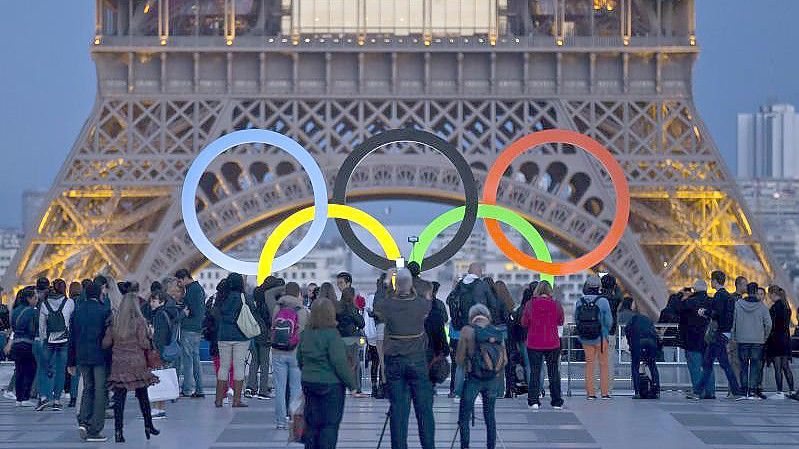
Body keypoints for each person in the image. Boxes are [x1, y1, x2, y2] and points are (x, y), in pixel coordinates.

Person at [374, 268, 435, 449]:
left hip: (395, 362)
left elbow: (377, 304)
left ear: (395, 285)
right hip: (417, 360)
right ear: (410, 285)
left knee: (399, 413)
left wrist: (385, 282)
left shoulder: (388, 305)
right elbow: (427, 297)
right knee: (424, 411)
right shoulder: (420, 305)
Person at [298, 298, 358, 449]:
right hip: (331, 385)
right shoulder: (332, 335)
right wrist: (352, 386)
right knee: (329, 425)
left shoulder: (305, 334)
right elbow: (340, 363)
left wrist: (308, 372)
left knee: (311, 424)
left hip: (309, 382)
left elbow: (300, 359)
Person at [105, 293, 160, 443]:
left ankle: (118, 432)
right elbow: (143, 344)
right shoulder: (140, 322)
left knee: (119, 399)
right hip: (136, 364)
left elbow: (107, 342)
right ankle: (149, 425)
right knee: (143, 396)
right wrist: (151, 336)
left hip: (119, 364)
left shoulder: (114, 320)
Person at [68, 281, 112, 443]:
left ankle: (84, 421)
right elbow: (110, 337)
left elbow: (72, 338)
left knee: (88, 388)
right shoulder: (104, 310)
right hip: (100, 357)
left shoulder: (77, 312)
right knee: (100, 391)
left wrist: (71, 362)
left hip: (82, 357)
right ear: (100, 293)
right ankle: (94, 429)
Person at [456, 304, 505, 449]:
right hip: (492, 379)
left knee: (464, 417)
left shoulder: (467, 331)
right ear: (487, 316)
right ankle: (491, 446)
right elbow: (505, 360)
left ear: (471, 317)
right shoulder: (497, 332)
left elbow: (459, 359)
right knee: (490, 416)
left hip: (473, 379)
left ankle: (465, 446)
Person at [692, 271, 742, 400]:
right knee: (710, 363)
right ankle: (698, 391)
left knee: (718, 364)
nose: (710, 283)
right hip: (725, 333)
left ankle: (736, 391)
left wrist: (704, 312)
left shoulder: (719, 296)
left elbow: (716, 314)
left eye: (711, 281)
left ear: (714, 281)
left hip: (718, 334)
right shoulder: (728, 296)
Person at [210, 273, 256, 408]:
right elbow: (252, 312)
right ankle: (236, 400)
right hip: (241, 336)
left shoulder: (221, 297)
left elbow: (215, 314)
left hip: (223, 336)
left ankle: (219, 399)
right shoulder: (244, 297)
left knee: (223, 367)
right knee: (238, 366)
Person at [271, 282, 308, 429]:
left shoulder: (277, 307)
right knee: (296, 388)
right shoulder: (302, 309)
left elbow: (273, 326)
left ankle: (280, 422)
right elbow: (304, 332)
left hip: (278, 351)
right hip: (295, 352)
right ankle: (293, 420)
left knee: (279, 388)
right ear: (298, 293)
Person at [522, 280, 563, 409]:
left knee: (534, 371)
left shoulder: (529, 304)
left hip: (534, 342)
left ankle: (533, 400)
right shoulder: (556, 304)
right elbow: (561, 321)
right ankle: (556, 401)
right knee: (553, 372)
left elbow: (524, 322)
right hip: (552, 342)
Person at [37, 279, 74, 411]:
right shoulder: (69, 302)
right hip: (64, 340)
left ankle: (43, 397)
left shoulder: (44, 304)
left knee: (45, 368)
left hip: (49, 340)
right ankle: (57, 400)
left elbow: (41, 326)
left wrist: (43, 339)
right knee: (61, 371)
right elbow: (71, 321)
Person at [574, 275, 613, 400]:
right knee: (603, 365)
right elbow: (609, 321)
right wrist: (605, 330)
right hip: (601, 337)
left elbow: (576, 319)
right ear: (599, 287)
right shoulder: (603, 301)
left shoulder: (580, 301)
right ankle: (605, 393)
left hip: (585, 338)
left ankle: (590, 393)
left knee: (589, 365)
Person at [732, 282, 772, 399]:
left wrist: (734, 336)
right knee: (755, 366)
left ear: (747, 291)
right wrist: (764, 337)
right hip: (758, 340)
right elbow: (768, 324)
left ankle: (744, 390)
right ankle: (753, 390)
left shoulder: (738, 304)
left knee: (743, 366)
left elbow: (733, 321)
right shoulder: (762, 306)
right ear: (755, 292)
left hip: (742, 338)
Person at [246, 277, 283, 400]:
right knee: (265, 362)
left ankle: (250, 387)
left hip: (254, 331)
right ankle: (263, 390)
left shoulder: (256, 294)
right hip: (265, 333)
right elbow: (269, 318)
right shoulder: (269, 300)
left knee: (254, 361)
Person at [677, 280, 714, 399]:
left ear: (694, 289)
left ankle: (698, 391)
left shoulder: (689, 302)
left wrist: (682, 296)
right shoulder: (712, 302)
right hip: (708, 339)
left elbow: (677, 313)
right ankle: (710, 391)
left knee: (695, 367)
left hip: (692, 339)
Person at [174, 269, 206, 399]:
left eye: (179, 281)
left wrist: (182, 313)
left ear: (185, 278)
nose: (178, 284)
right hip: (197, 329)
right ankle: (199, 388)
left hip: (189, 328)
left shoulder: (191, 291)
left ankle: (188, 388)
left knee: (188, 361)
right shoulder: (198, 289)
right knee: (195, 359)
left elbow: (190, 310)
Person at [149, 289, 180, 418]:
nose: (151, 303)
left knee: (157, 379)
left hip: (159, 351)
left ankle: (157, 408)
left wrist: (156, 351)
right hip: (165, 350)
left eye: (154, 300)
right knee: (161, 378)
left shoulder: (159, 315)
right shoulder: (168, 313)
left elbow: (159, 336)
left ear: (161, 302)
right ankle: (160, 407)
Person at [624, 302, 660, 399]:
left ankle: (637, 392)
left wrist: (630, 345)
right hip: (651, 343)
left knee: (635, 366)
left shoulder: (633, 319)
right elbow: (655, 333)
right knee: (652, 366)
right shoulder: (648, 320)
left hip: (638, 343)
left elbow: (627, 331)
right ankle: (656, 390)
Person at [10, 288, 39, 407]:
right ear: (29, 299)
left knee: (19, 371)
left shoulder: (15, 310)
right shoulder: (32, 311)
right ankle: (26, 397)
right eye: (35, 298)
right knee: (30, 370)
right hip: (28, 344)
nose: (36, 300)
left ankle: (19, 398)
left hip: (16, 343)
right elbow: (34, 329)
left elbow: (12, 325)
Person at [337, 287, 367, 398]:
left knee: (341, 365)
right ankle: (356, 390)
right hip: (352, 339)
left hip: (340, 339)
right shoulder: (352, 308)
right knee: (355, 365)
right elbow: (361, 323)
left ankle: (340, 388)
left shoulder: (337, 307)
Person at [766, 286, 794, 399]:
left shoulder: (774, 308)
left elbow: (771, 326)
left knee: (777, 367)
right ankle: (792, 390)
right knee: (786, 367)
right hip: (786, 339)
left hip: (776, 339)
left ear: (773, 294)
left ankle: (779, 392)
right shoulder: (787, 307)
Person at [492, 280, 516, 398]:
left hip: (496, 335)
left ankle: (499, 390)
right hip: (507, 335)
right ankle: (510, 389)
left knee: (498, 363)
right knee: (509, 364)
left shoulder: (492, 302)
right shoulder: (509, 303)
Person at [364, 292, 386, 398]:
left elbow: (366, 322)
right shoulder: (381, 305)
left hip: (371, 338)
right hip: (380, 336)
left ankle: (374, 387)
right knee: (382, 362)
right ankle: (381, 386)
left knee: (375, 363)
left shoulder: (369, 308)